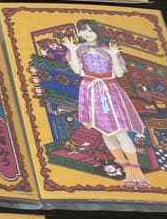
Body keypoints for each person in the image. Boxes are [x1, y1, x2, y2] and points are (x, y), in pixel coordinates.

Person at [62, 19, 149, 187]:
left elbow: (118, 73)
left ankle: (136, 170)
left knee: (121, 132)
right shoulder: (79, 49)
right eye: (83, 30)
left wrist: (114, 56)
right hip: (91, 92)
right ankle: (127, 170)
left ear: (97, 31)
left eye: (90, 30)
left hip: (111, 91)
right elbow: (76, 70)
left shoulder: (109, 49)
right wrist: (72, 50)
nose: (87, 34)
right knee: (105, 133)